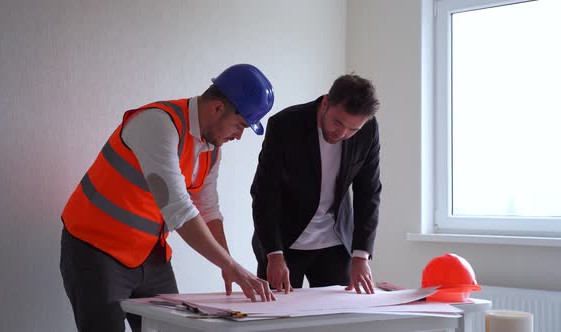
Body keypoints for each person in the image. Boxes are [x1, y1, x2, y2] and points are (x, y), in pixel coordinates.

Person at [60, 64, 276, 332]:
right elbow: (179, 209)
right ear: (217, 108)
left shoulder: (211, 149)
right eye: (240, 124)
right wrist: (231, 265)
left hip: (149, 254)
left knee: (174, 328)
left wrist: (226, 264)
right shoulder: (157, 124)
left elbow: (208, 209)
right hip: (95, 249)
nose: (240, 136)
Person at [251, 74, 381, 295]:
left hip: (336, 242)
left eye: (352, 130)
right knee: (277, 319)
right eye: (337, 122)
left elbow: (368, 192)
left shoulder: (367, 130)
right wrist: (273, 253)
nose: (342, 134)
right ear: (325, 103)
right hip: (284, 242)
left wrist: (361, 255)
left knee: (337, 320)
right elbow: (265, 193)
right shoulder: (285, 125)